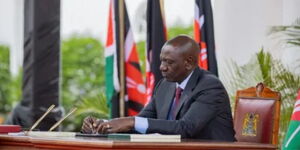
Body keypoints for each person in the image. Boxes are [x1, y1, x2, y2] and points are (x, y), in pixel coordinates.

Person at [81, 35, 236, 141]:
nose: (162, 68)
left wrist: (131, 121)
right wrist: (103, 125)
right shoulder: (165, 85)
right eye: (161, 61)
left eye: (169, 62)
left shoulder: (209, 86)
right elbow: (141, 123)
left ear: (188, 62)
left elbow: (186, 128)